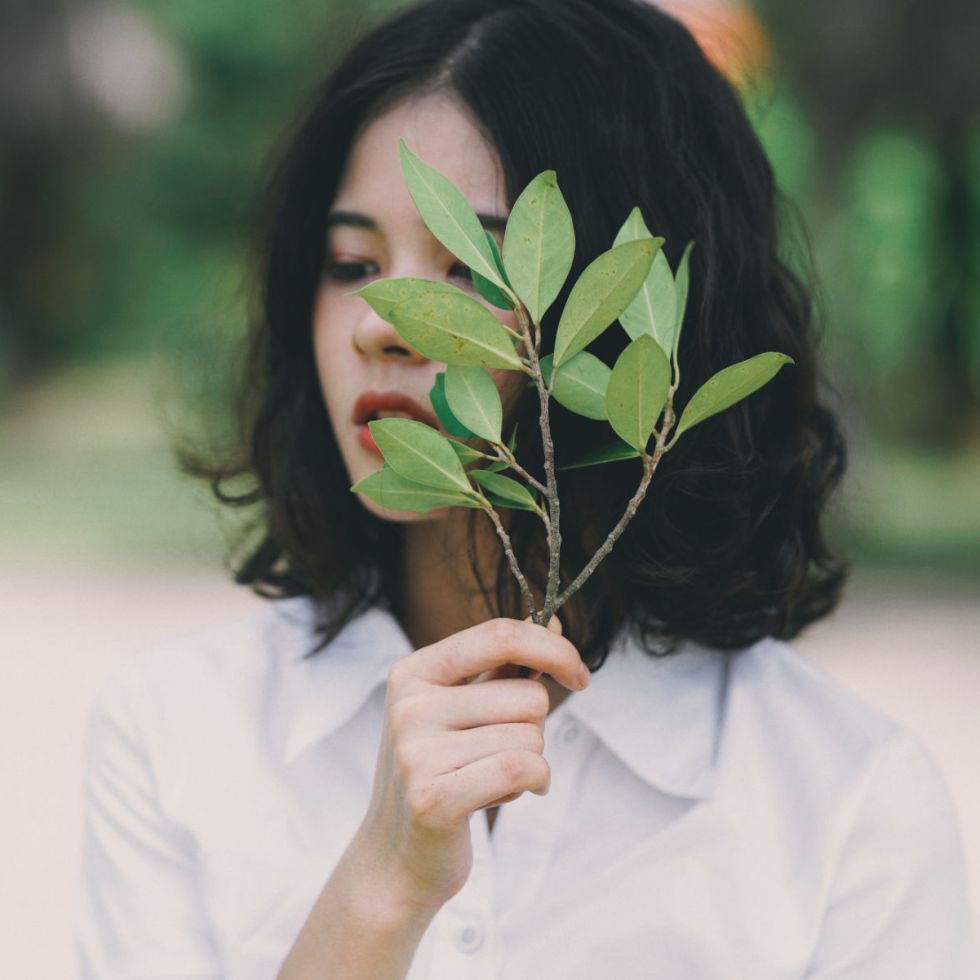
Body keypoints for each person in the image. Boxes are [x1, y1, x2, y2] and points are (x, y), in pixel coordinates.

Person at [74, 0, 979, 977]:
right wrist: (378, 893)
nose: (384, 319)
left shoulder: (845, 800)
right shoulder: (176, 734)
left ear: (636, 322)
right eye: (351, 263)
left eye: (470, 266)